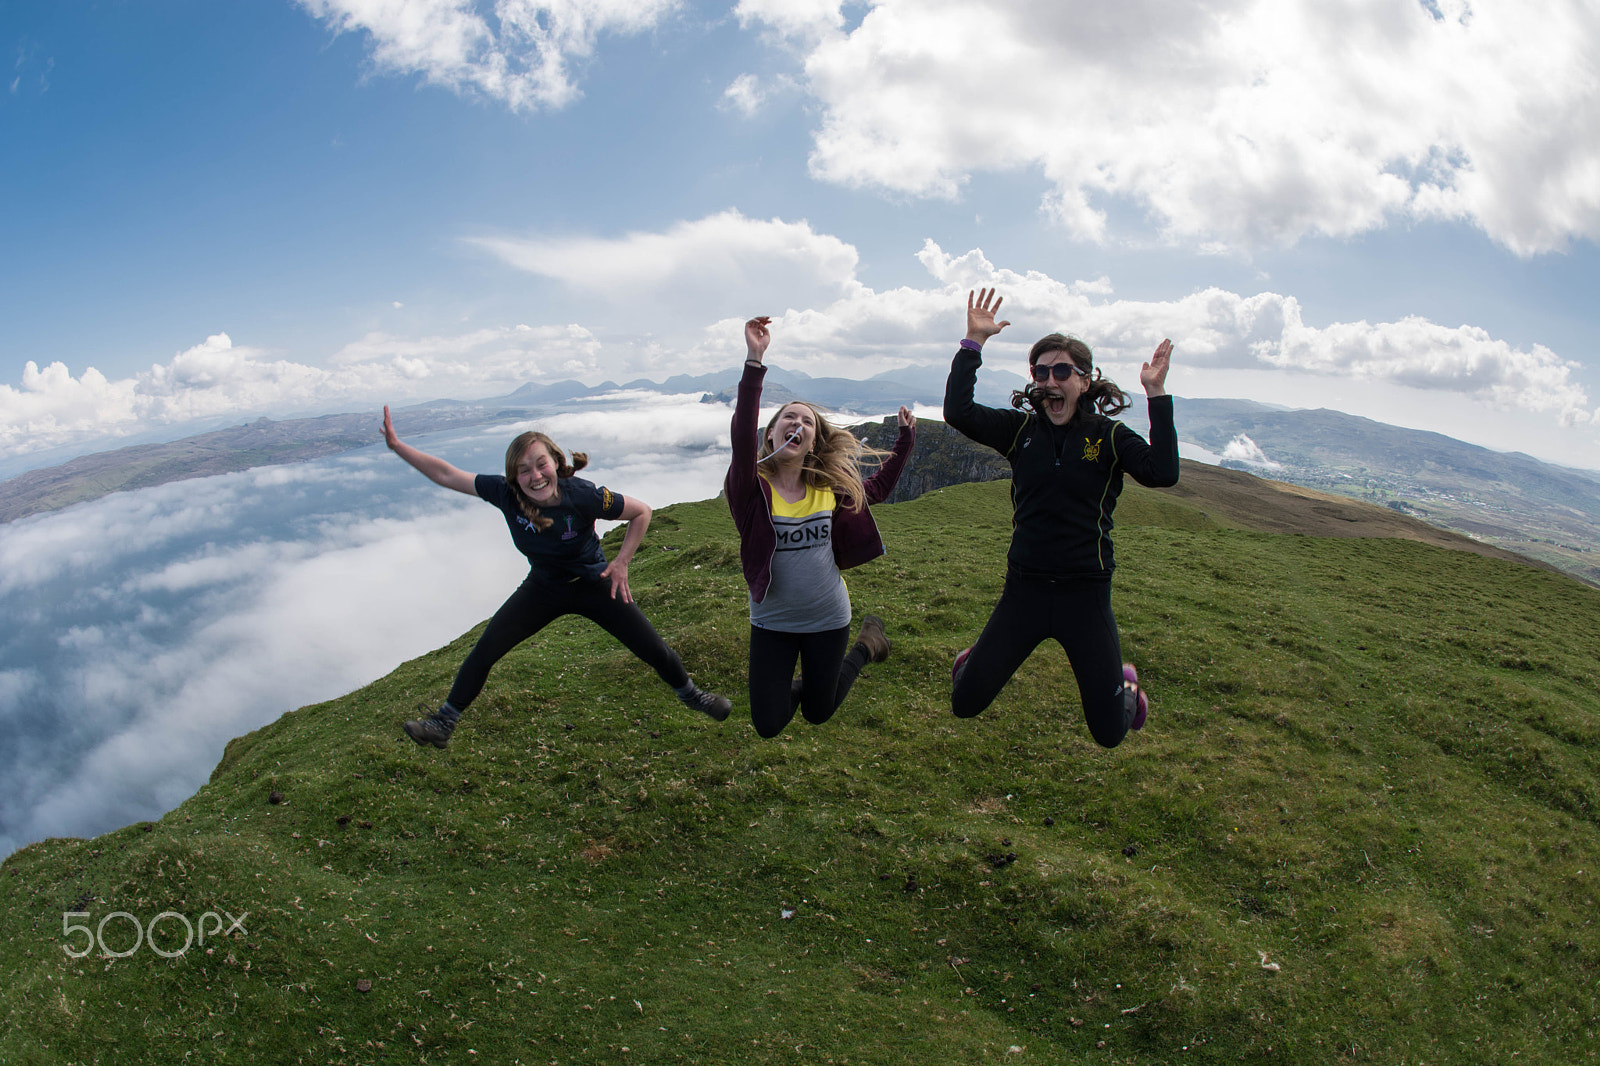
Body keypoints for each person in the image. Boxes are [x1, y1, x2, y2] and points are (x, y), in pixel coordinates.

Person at [382, 407, 731, 748]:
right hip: (543, 588)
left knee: (653, 648)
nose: (535, 476)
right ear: (512, 476)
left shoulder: (583, 494)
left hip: (595, 583)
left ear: (555, 462)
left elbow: (641, 511)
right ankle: (444, 722)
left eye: (541, 464)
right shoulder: (506, 494)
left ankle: (693, 696)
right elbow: (446, 474)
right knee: (483, 652)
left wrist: (622, 562)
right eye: (523, 470)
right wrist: (398, 447)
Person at [943, 289, 1178, 746]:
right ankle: (975, 661)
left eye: (1062, 371)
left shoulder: (1110, 437)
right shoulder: (1019, 432)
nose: (1050, 381)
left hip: (1085, 596)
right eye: (1041, 371)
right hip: (1024, 590)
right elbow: (959, 412)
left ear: (1084, 381)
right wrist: (973, 343)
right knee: (964, 702)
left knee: (1110, 733)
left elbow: (1163, 472)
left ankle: (1126, 685)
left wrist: (1156, 394)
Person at [726, 316, 916, 739]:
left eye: (807, 422)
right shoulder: (750, 488)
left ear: (814, 440)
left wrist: (905, 440)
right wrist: (754, 361)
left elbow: (879, 487)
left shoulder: (831, 488)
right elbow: (741, 436)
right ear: (772, 435)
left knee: (818, 711)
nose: (798, 424)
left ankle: (866, 644)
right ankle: (827, 671)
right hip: (772, 621)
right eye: (788, 419)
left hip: (828, 618)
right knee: (769, 723)